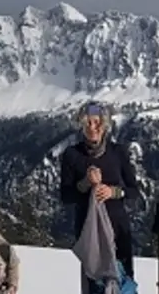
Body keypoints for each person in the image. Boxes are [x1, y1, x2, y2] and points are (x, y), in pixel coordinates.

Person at [57, 101, 138, 278]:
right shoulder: (72, 155)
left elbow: (133, 191)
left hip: (118, 229)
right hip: (89, 231)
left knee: (124, 282)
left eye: (98, 122)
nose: (93, 127)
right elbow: (66, 196)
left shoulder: (118, 152)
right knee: (94, 286)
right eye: (88, 122)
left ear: (105, 125)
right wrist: (85, 184)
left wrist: (114, 192)